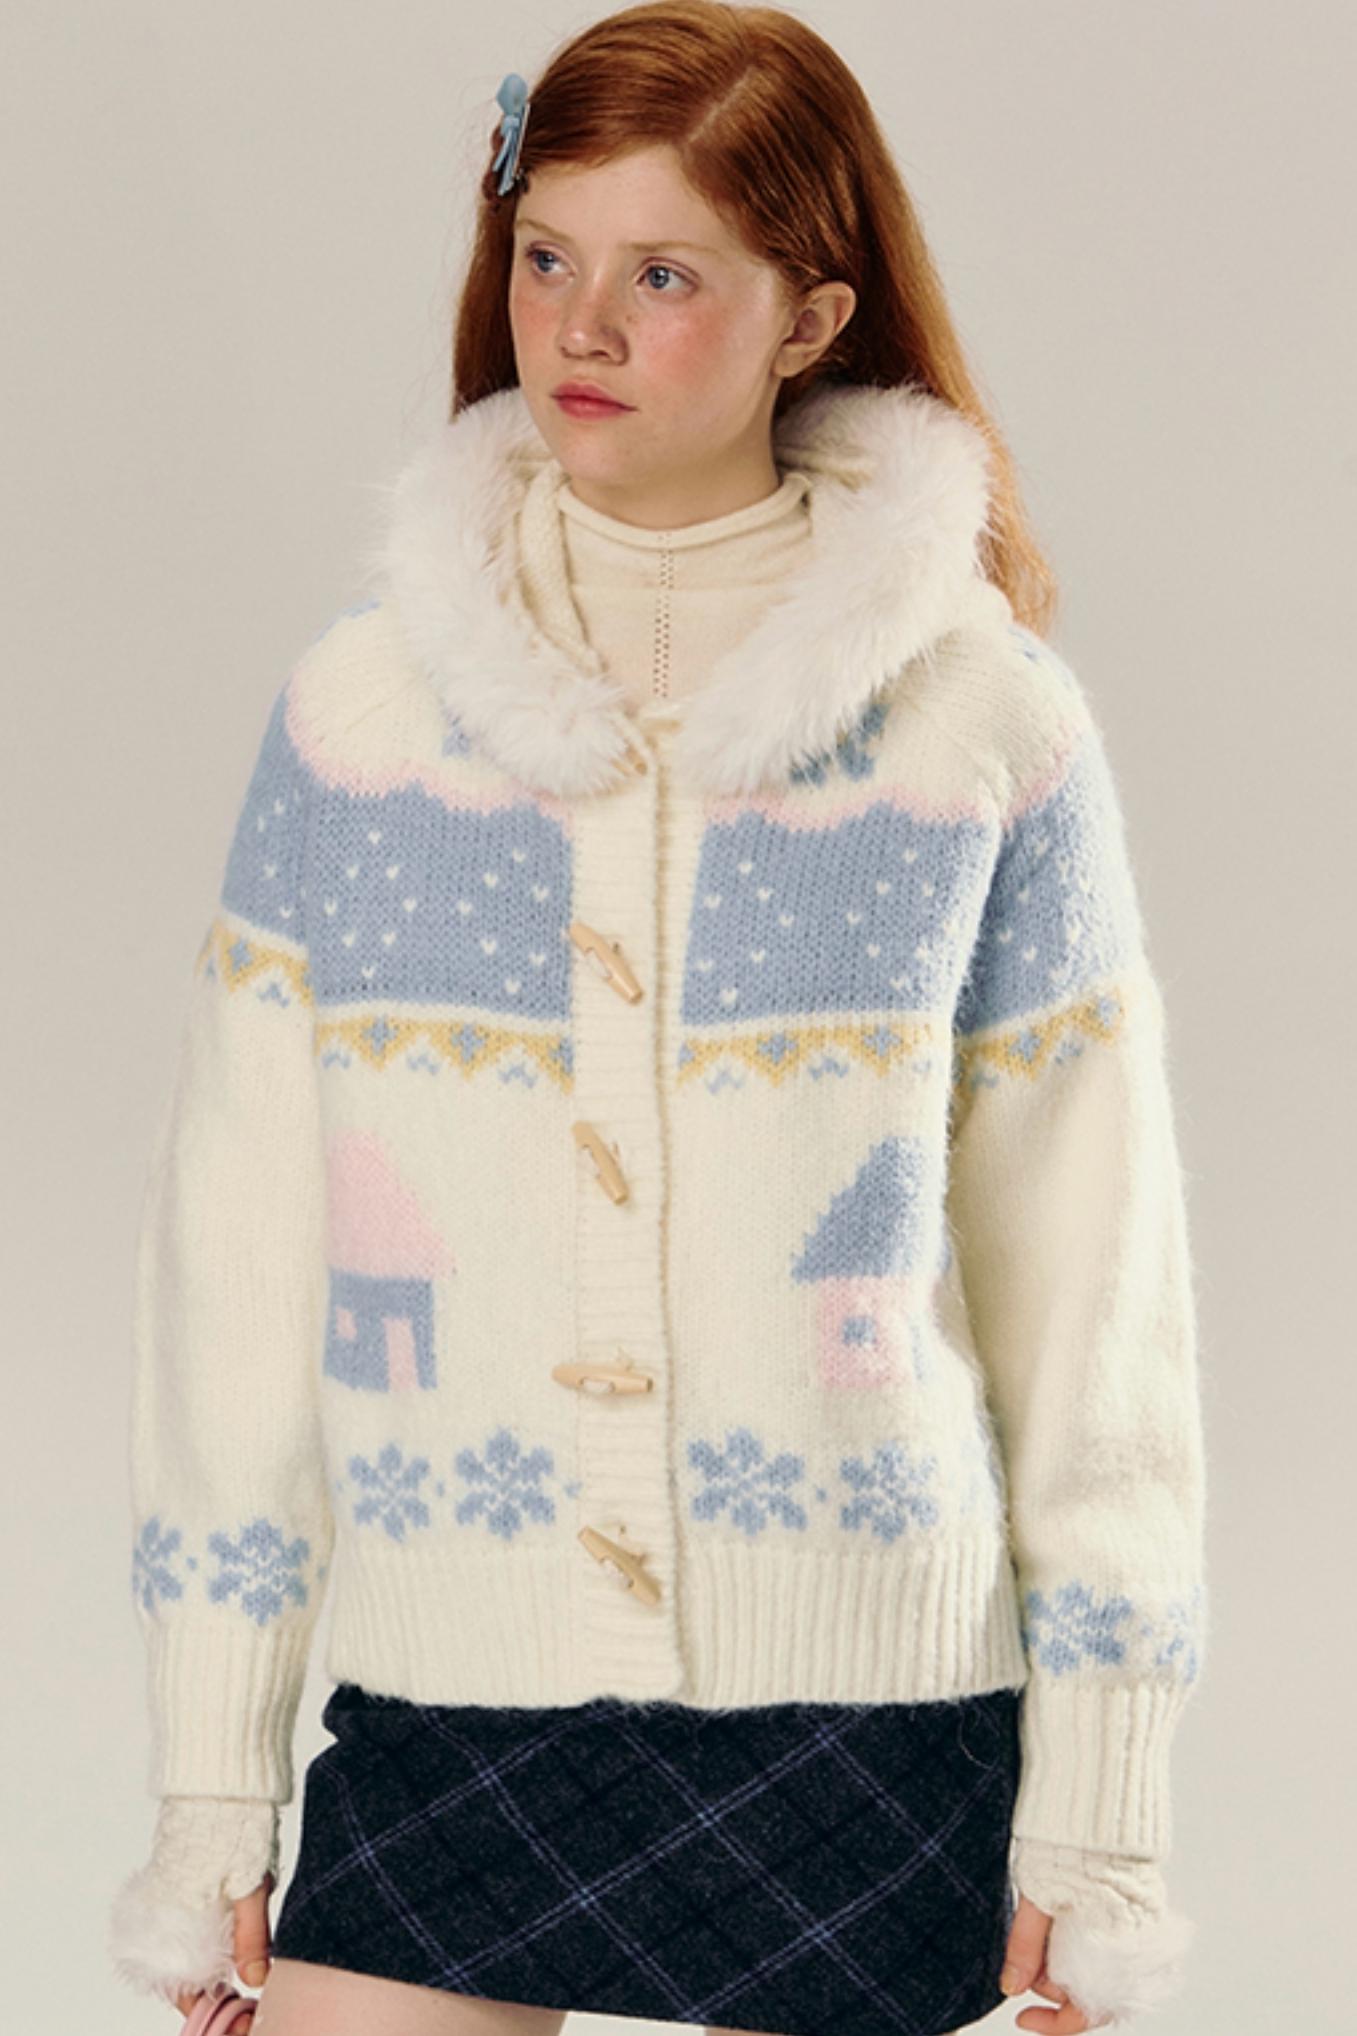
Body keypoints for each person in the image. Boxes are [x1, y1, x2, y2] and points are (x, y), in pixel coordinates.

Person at [107, 6, 1209, 2034]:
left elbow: (1094, 1305)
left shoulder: (978, 726)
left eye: (665, 275)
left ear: (813, 318)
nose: (580, 327)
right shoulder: (364, 720)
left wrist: (1101, 1817)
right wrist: (211, 1779)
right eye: (546, 256)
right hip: (454, 1687)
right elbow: (237, 1275)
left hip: (874, 1720)